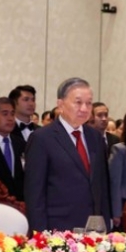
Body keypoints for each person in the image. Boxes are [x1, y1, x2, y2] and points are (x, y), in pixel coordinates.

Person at [24, 77, 110, 231]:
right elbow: (34, 194)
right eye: (78, 102)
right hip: (58, 230)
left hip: (94, 230)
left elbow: (102, 185)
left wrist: (106, 225)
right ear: (60, 104)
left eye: (89, 103)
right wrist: (40, 234)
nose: (84, 108)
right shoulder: (42, 138)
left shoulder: (95, 137)